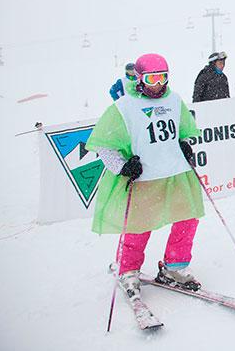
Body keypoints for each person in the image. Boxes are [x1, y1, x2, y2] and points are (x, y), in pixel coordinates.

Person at [87, 53, 205, 300]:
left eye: (163, 77)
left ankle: (175, 267)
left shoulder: (173, 100)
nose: (158, 84)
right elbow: (104, 146)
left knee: (188, 218)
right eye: (152, 79)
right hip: (145, 179)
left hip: (176, 173)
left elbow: (183, 131)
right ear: (140, 78)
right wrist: (122, 167)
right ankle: (128, 270)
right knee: (138, 227)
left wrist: (184, 144)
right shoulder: (124, 106)